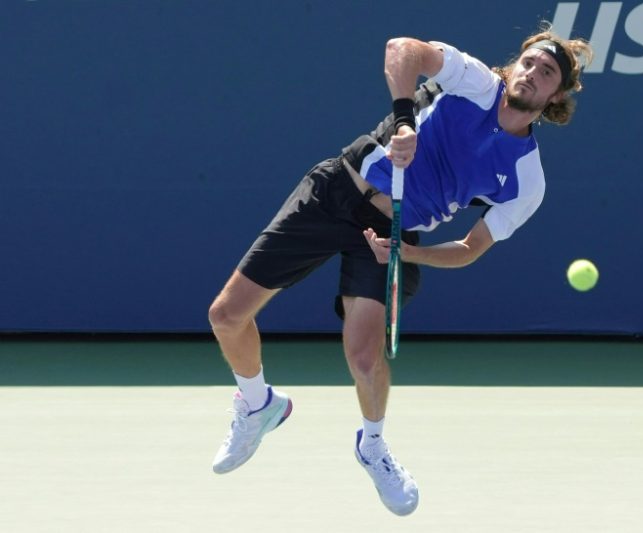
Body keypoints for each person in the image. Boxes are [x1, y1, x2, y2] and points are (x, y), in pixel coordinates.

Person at [208, 26, 593, 516]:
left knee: (365, 358)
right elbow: (401, 49)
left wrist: (410, 255)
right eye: (530, 63)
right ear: (514, 65)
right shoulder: (473, 82)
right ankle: (259, 403)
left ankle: (372, 445)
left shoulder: (527, 179)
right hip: (336, 193)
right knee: (226, 316)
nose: (533, 74)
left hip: (393, 233)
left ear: (556, 95)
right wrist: (405, 121)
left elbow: (471, 248)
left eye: (547, 73)